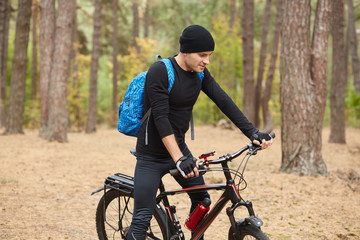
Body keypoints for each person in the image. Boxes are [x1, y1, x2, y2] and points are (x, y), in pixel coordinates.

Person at [126, 24, 273, 240]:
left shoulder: (200, 74)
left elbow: (223, 100)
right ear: (185, 51)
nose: (207, 61)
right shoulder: (160, 71)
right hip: (151, 156)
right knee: (141, 221)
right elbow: (161, 119)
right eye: (202, 55)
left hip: (179, 150)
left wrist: (252, 132)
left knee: (202, 201)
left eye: (210, 55)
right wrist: (179, 159)